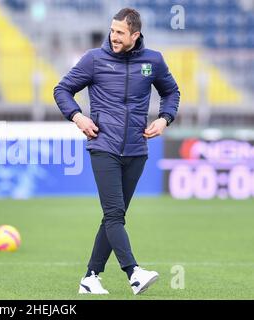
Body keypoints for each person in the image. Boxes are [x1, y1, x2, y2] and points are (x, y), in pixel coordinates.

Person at [53, 8, 180, 295]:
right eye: (112, 30)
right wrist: (77, 116)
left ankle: (90, 277)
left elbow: (172, 92)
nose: (113, 36)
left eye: (120, 32)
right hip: (104, 146)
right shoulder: (94, 59)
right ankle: (133, 273)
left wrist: (164, 118)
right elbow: (62, 90)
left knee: (115, 216)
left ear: (135, 35)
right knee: (113, 215)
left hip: (137, 150)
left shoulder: (153, 60)